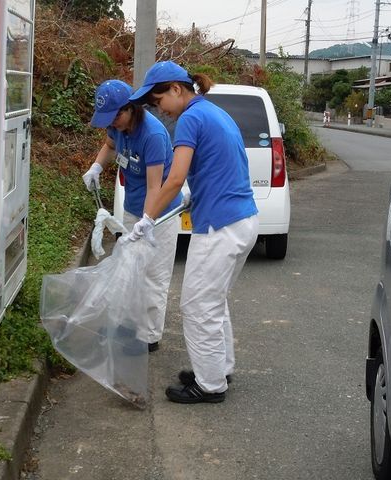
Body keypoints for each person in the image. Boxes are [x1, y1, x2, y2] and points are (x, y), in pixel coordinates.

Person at [127, 61, 259, 404]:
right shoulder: (213, 112)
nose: (160, 111)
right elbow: (220, 167)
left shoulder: (190, 118)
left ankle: (210, 385)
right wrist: (193, 198)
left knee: (198, 305)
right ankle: (217, 369)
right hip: (241, 219)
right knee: (213, 301)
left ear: (175, 89)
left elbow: (173, 178)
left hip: (220, 226)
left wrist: (147, 218)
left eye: (158, 102)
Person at [82, 79, 182, 353]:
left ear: (131, 108)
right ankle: (129, 325)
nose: (113, 124)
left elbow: (155, 187)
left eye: (116, 117)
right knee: (129, 269)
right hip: (133, 207)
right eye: (109, 120)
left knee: (153, 274)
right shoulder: (118, 127)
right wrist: (96, 167)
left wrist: (147, 221)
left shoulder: (153, 135)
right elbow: (109, 145)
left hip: (160, 213)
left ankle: (149, 336)